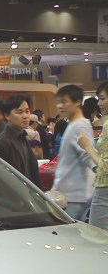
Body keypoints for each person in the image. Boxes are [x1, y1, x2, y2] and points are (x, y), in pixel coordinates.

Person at [51, 85, 96, 221]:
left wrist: (100, 169)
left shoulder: (79, 126)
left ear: (77, 102)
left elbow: (87, 155)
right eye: (58, 102)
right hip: (68, 194)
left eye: (64, 101)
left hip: (74, 195)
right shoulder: (74, 124)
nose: (60, 106)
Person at [0, 94, 42, 188]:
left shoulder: (23, 137)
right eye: (19, 112)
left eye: (27, 111)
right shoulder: (0, 144)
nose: (25, 116)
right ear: (7, 115)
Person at [78, 81, 108, 230]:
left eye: (102, 98)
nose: (99, 103)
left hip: (104, 191)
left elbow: (106, 166)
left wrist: (87, 146)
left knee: (97, 237)